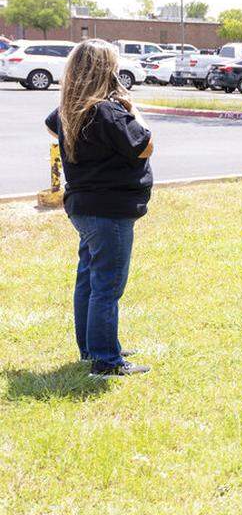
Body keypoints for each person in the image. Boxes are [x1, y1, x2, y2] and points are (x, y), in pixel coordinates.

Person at [44, 39, 154, 378]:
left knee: (90, 280)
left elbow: (51, 125)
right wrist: (131, 109)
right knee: (108, 284)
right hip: (109, 209)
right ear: (105, 70)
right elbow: (145, 146)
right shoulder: (108, 110)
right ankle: (106, 361)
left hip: (84, 206)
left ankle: (92, 347)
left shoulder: (72, 108)